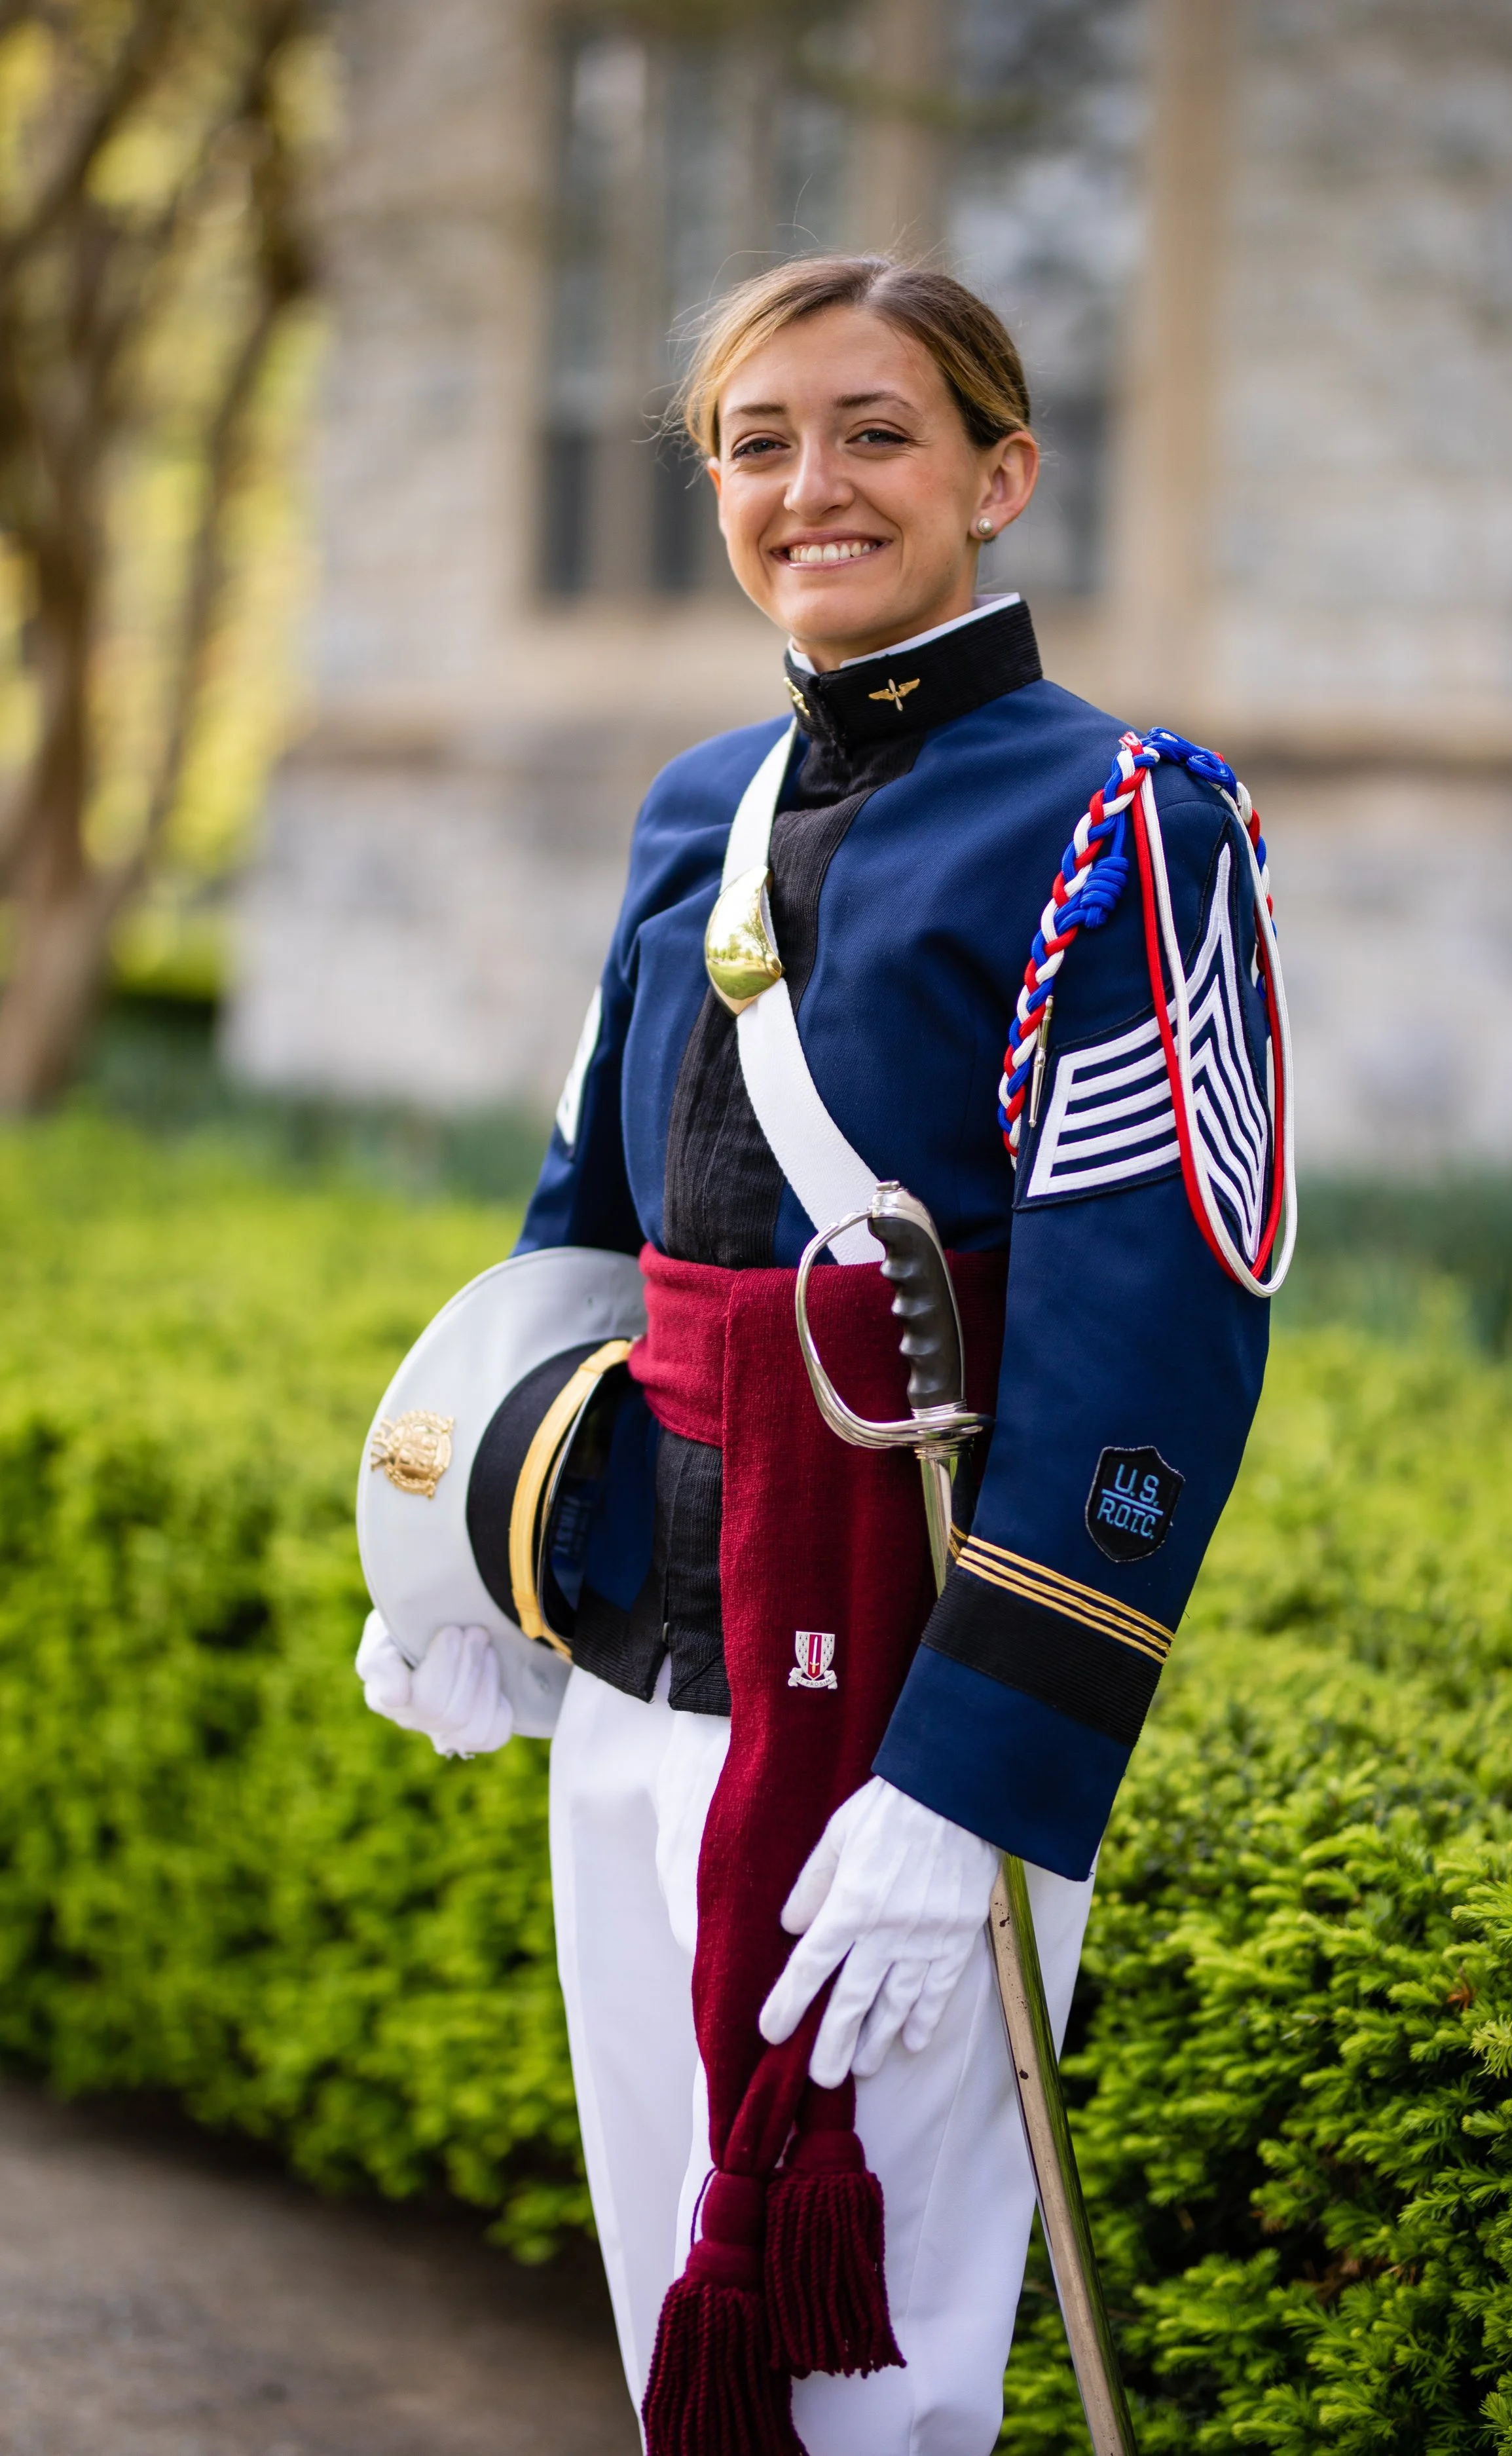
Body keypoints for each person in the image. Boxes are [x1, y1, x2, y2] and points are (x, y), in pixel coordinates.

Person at [356, 253, 1288, 2456]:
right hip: (634, 1680)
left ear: (1001, 472)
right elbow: (589, 1220)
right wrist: (472, 1560)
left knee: (874, 2391)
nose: (812, 484)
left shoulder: (1128, 820)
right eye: (756, 442)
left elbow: (1151, 1344)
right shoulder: (693, 807)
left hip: (903, 1719)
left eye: (875, 431)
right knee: (666, 2335)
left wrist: (975, 1774)